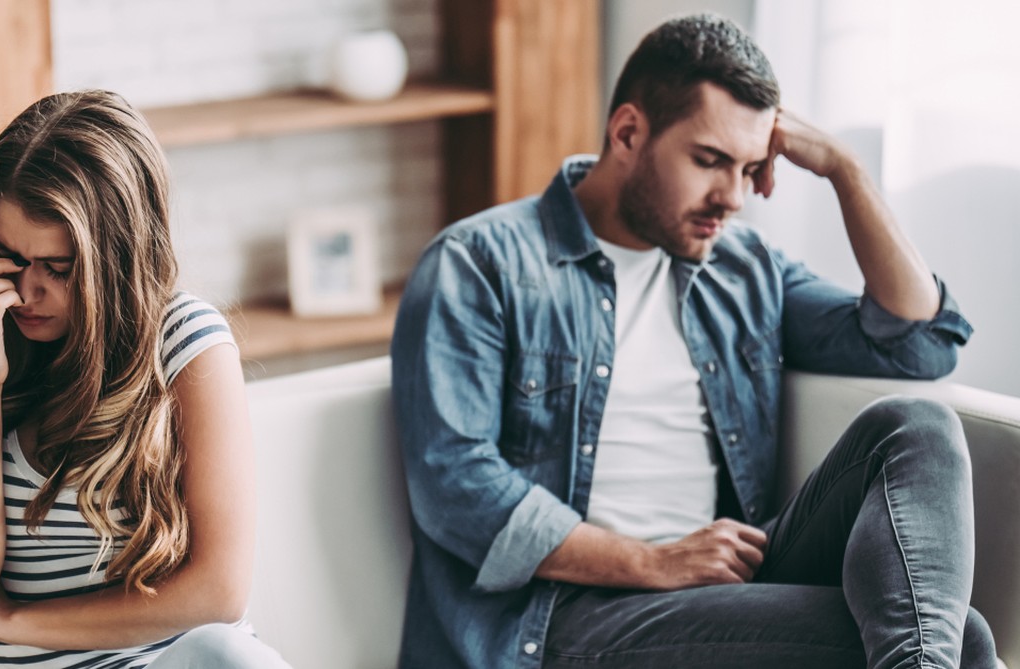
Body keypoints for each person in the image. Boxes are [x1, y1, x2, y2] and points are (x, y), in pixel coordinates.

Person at [391, 13, 995, 669]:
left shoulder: (738, 267)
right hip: (565, 614)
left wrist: (845, 168)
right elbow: (456, 486)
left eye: (749, 167)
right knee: (957, 639)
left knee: (916, 426)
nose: (732, 196)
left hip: (726, 581)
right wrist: (652, 561)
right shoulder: (482, 263)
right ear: (628, 133)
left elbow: (919, 341)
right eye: (709, 161)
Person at [0, 90, 289, 669]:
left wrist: (16, 622)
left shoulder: (184, 342)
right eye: (8, 256)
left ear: (117, 261)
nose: (27, 292)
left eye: (59, 268)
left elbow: (219, 592)